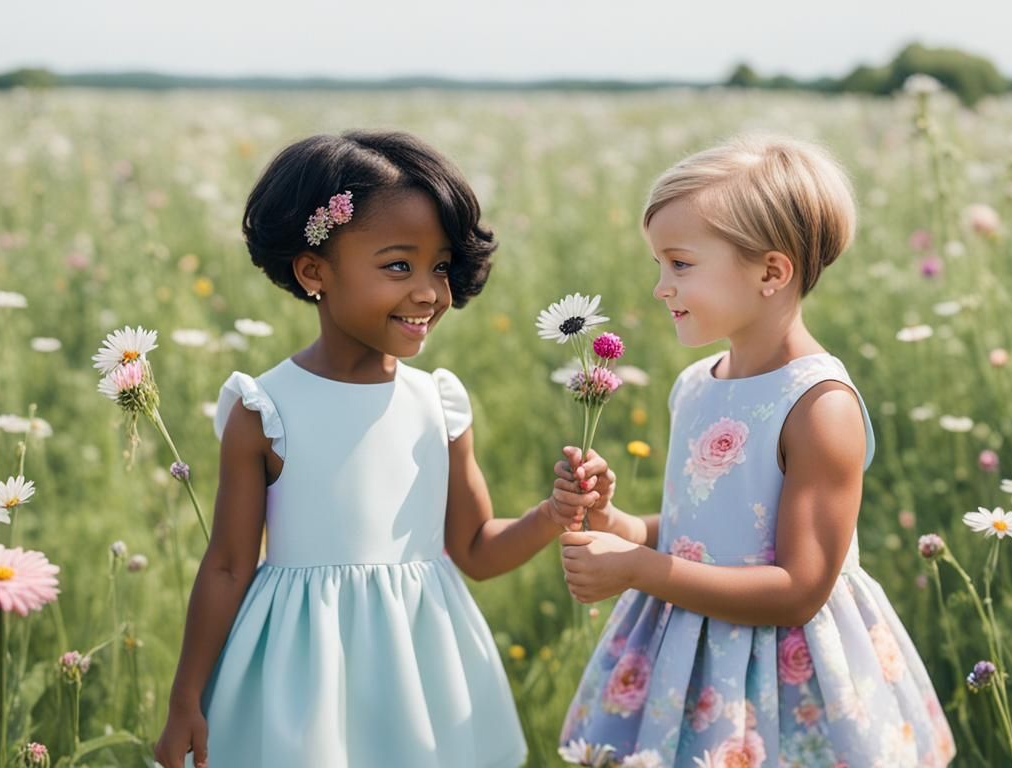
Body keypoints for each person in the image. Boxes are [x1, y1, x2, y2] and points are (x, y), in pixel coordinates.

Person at [153, 130, 602, 768]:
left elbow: (475, 550)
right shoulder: (266, 412)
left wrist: (554, 515)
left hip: (425, 673)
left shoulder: (439, 403)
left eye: (440, 266)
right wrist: (185, 699)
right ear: (314, 271)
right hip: (299, 668)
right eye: (399, 265)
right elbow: (228, 564)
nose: (428, 292)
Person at [555, 135, 956, 766]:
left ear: (771, 271)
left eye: (680, 264)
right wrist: (619, 525)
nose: (661, 287)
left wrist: (638, 569)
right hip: (693, 659)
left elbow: (799, 588)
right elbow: (706, 532)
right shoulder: (697, 384)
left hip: (784, 678)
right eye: (659, 264)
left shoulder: (819, 406)